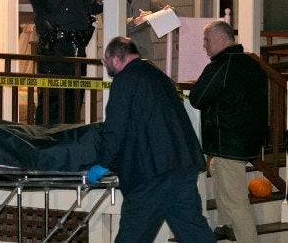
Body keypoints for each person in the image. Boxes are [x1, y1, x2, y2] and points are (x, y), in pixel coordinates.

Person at [87, 37, 215, 242]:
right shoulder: (158, 76)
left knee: (132, 235)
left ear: (118, 58)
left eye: (106, 59)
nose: (105, 64)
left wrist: (103, 163)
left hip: (151, 174)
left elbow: (115, 128)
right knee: (193, 231)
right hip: (183, 166)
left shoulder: (125, 80)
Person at [189, 21, 267, 242]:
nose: (204, 45)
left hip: (228, 142)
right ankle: (226, 225)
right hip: (248, 139)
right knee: (216, 169)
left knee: (236, 201)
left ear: (223, 40)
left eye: (207, 40)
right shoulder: (252, 64)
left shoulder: (220, 66)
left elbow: (197, 98)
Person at [27, 0, 103, 125]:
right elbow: (52, 4)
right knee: (52, 103)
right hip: (55, 50)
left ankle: (69, 143)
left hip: (77, 48)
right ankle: (45, 144)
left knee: (74, 101)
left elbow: (88, 8)